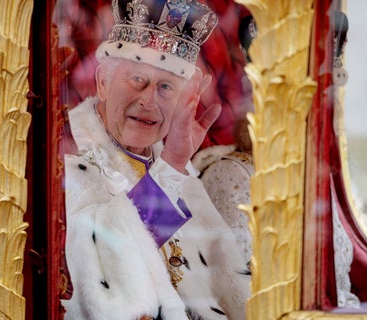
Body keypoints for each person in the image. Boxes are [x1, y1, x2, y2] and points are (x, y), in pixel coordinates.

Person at [62, 0, 251, 319]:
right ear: (103, 82)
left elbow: (231, 291)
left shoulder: (175, 167)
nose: (148, 101)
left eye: (166, 87)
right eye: (137, 80)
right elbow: (104, 277)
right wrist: (172, 168)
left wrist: (175, 166)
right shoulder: (66, 161)